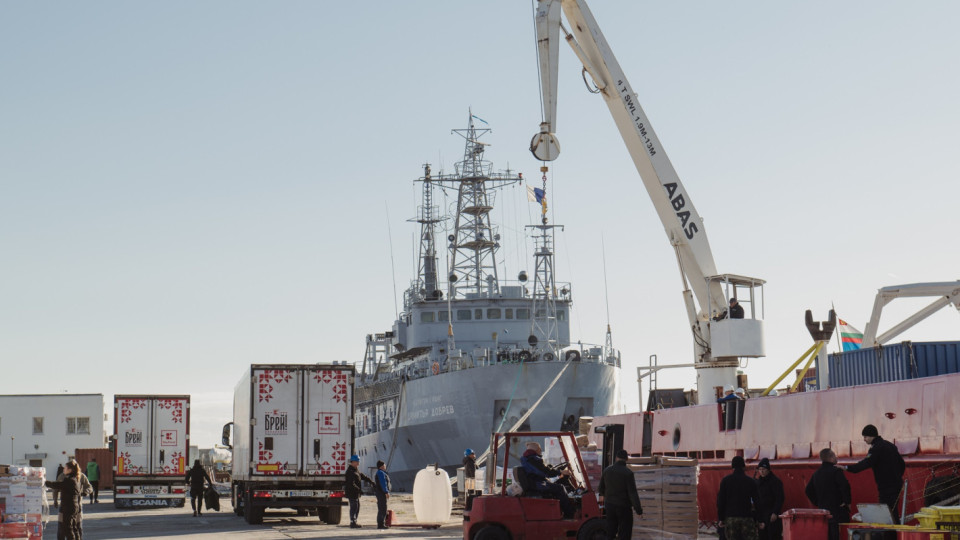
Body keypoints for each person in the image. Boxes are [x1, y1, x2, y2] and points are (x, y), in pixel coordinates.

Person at [844, 424, 905, 523]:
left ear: (872, 435)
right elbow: (902, 464)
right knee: (893, 511)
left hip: (886, 486)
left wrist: (848, 468)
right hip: (897, 484)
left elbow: (866, 463)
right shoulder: (890, 445)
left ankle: (890, 535)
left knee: (886, 513)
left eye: (865, 436)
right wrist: (898, 477)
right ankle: (897, 533)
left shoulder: (876, 448)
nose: (864, 439)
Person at [520, 441, 575, 518]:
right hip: (538, 484)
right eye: (540, 449)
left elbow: (543, 470)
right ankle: (569, 515)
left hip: (537, 482)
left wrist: (556, 469)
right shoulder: (533, 459)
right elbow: (545, 472)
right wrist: (561, 471)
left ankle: (562, 510)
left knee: (561, 481)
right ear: (536, 450)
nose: (540, 451)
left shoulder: (528, 459)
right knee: (560, 488)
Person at [598, 449, 643, 540]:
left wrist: (603, 495)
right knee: (624, 533)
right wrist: (638, 510)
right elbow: (632, 493)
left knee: (610, 532)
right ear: (626, 459)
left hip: (610, 506)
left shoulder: (607, 470)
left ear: (616, 458)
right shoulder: (628, 473)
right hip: (624, 507)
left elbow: (601, 488)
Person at [806, 448, 851, 540]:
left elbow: (808, 490)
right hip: (838, 511)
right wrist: (847, 502)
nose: (836, 457)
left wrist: (818, 502)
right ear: (830, 458)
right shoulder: (836, 471)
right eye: (834, 455)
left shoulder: (816, 473)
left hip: (824, 512)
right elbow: (845, 486)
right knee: (839, 535)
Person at [716, 456, 759, 540]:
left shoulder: (725, 481)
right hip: (747, 518)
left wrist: (721, 518)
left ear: (732, 467)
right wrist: (759, 519)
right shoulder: (750, 481)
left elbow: (721, 501)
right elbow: (757, 501)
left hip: (731, 519)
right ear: (744, 466)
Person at [45, 460, 82, 540]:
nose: (63, 469)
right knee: (73, 527)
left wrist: (44, 482)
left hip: (69, 507)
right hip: (73, 506)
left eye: (65, 468)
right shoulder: (75, 479)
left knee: (67, 528)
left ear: (70, 470)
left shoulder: (70, 480)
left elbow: (57, 485)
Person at [755, 458, 784, 540]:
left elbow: (780, 498)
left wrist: (775, 512)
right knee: (762, 536)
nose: (761, 471)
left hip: (772, 514)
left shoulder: (775, 481)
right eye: (760, 469)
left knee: (774, 536)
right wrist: (758, 518)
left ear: (768, 469)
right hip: (762, 515)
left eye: (763, 469)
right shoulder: (758, 483)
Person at [344, 454, 373, 528]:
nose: (358, 463)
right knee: (354, 507)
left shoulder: (356, 470)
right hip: (352, 493)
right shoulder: (350, 471)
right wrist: (359, 490)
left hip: (356, 493)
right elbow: (351, 483)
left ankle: (354, 521)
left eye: (358, 461)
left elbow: (362, 476)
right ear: (352, 462)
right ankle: (352, 522)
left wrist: (371, 481)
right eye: (357, 461)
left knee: (357, 507)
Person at [374, 460, 391, 529]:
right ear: (381, 466)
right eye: (384, 465)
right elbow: (383, 483)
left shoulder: (381, 472)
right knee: (382, 508)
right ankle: (381, 524)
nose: (385, 466)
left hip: (380, 493)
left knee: (382, 508)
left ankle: (381, 523)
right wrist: (386, 492)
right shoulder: (381, 473)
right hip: (381, 493)